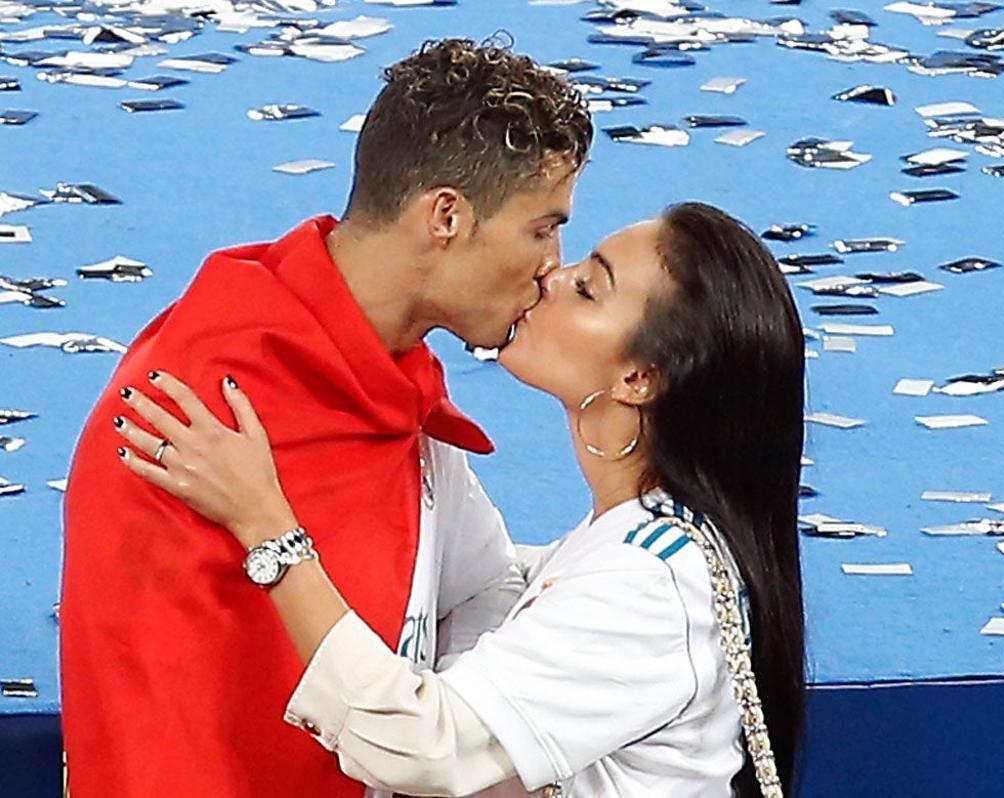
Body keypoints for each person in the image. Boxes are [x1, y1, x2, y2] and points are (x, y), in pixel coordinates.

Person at [113, 203, 808, 797]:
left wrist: (267, 528)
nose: (551, 277)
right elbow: (495, 589)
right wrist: (406, 432)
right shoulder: (635, 538)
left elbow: (422, 746)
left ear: (639, 377)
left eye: (589, 288)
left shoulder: (649, 579)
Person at [60, 38, 593, 798]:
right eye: (542, 228)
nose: (554, 266)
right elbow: (152, 743)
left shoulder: (391, 380)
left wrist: (446, 731)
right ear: (446, 215)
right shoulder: (192, 418)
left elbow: (480, 586)